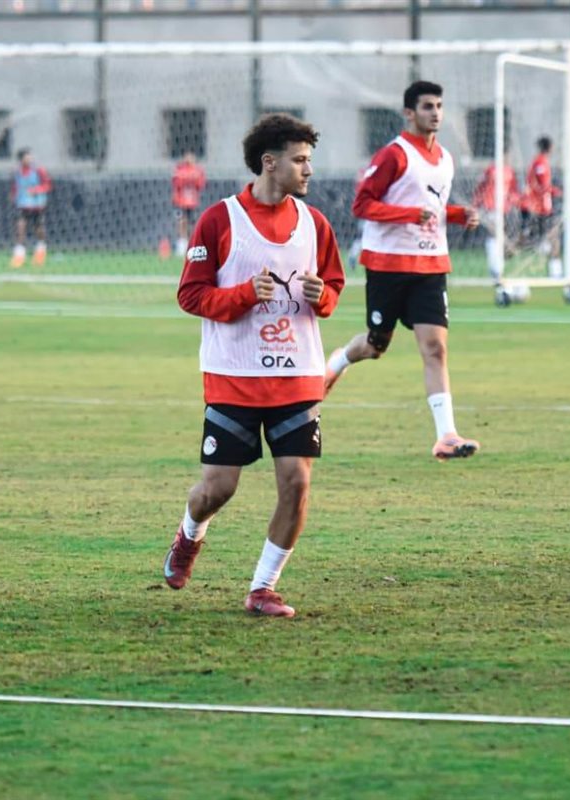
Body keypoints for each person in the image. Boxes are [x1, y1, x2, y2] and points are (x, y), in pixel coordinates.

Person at [162, 113, 345, 619]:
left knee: (297, 484)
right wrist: (244, 294)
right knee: (217, 489)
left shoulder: (316, 224)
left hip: (297, 376)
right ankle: (189, 535)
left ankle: (263, 588)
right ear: (270, 163)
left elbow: (333, 287)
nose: (308, 169)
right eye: (300, 160)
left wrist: (323, 296)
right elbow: (190, 294)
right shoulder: (219, 220)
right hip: (234, 377)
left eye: (309, 160)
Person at [323, 80, 482, 461]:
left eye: (439, 106)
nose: (435, 113)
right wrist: (408, 214)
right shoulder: (394, 155)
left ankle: (446, 436)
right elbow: (362, 205)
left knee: (435, 347)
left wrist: (458, 215)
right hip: (388, 265)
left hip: (431, 265)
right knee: (375, 346)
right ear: (409, 113)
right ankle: (335, 364)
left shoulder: (445, 159)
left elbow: (433, 208)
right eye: (427, 106)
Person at [520, 135, 562, 279]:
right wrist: (560, 192)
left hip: (536, 207)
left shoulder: (538, 161)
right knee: (552, 239)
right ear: (550, 147)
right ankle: (556, 273)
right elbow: (543, 186)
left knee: (548, 239)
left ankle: (554, 271)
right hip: (539, 208)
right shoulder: (541, 162)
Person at [473, 155, 520, 282]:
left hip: (503, 209)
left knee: (496, 237)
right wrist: (477, 203)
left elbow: (513, 190)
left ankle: (499, 267)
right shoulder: (491, 169)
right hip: (491, 208)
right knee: (494, 236)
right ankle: (497, 269)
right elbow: (481, 187)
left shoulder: (508, 170)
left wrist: (514, 201)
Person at [9, 147, 52, 268]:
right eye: (26, 157)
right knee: (20, 228)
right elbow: (15, 186)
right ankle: (19, 256)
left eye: (30, 157)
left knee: (39, 229)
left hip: (37, 205)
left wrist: (36, 190)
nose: (30, 159)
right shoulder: (17, 172)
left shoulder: (39, 170)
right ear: (21, 160)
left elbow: (48, 185)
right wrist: (13, 195)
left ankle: (40, 251)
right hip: (23, 205)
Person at [171, 150, 207, 257]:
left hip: (192, 202)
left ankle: (192, 243)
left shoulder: (197, 170)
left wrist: (189, 177)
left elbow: (200, 183)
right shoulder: (180, 169)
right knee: (181, 222)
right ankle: (182, 244)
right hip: (180, 202)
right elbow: (177, 180)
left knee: (192, 224)